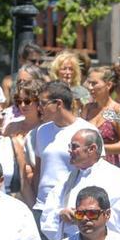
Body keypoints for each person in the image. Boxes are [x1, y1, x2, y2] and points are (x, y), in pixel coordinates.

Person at [40, 129, 120, 240]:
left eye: (74, 147)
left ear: (92, 149)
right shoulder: (67, 181)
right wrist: (61, 215)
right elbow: (48, 215)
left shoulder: (117, 177)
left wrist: (90, 216)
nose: (69, 151)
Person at [29, 81, 98, 222]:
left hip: (72, 209)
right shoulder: (41, 131)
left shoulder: (87, 130)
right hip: (43, 208)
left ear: (58, 104)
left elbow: (95, 172)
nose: (39, 108)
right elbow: (38, 171)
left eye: (43, 103)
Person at [82, 66, 120, 168]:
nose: (90, 87)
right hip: (87, 166)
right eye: (89, 83)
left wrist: (98, 148)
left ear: (108, 85)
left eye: (94, 83)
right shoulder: (87, 109)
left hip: (109, 166)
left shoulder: (118, 110)